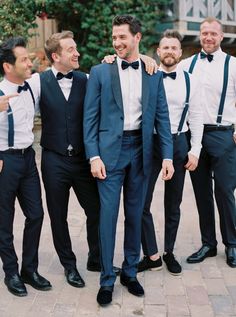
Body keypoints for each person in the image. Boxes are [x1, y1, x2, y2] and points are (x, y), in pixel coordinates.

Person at [83, 15, 174, 306]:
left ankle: (131, 272)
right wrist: (93, 155)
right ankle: (107, 279)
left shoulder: (153, 73)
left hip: (142, 152)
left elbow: (163, 117)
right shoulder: (100, 71)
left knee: (135, 215)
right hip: (109, 154)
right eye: (114, 38)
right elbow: (90, 118)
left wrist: (168, 156)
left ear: (137, 37)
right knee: (107, 217)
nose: (117, 43)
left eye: (122, 37)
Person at [33, 31, 120, 288]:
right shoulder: (39, 82)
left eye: (76, 48)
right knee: (58, 216)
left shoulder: (88, 78)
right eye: (71, 49)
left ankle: (96, 259)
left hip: (84, 160)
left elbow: (118, 80)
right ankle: (69, 266)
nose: (77, 53)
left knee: (96, 210)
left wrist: (115, 61)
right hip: (53, 160)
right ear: (55, 56)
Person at [138, 30, 203, 275]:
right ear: (158, 51)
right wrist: (109, 59)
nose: (169, 52)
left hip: (178, 144)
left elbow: (196, 117)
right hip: (149, 145)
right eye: (165, 47)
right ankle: (151, 254)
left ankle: (169, 252)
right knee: (142, 202)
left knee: (173, 203)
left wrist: (195, 150)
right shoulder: (146, 75)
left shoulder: (190, 80)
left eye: (174, 48)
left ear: (180, 52)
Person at [179, 17, 236, 267]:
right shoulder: (186, 64)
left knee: (224, 191)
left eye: (213, 33)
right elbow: (160, 72)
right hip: (194, 137)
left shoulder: (233, 65)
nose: (209, 37)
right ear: (200, 35)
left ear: (221, 36)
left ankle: (232, 244)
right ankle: (208, 244)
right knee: (201, 193)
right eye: (204, 33)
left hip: (224, 134)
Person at [0, 37, 51, 297]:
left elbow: (63, 68)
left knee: (36, 214)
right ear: (8, 67)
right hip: (4, 162)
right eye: (23, 60)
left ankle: (29, 270)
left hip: (29, 159)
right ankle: (11, 272)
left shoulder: (32, 84)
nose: (30, 62)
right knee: (4, 220)